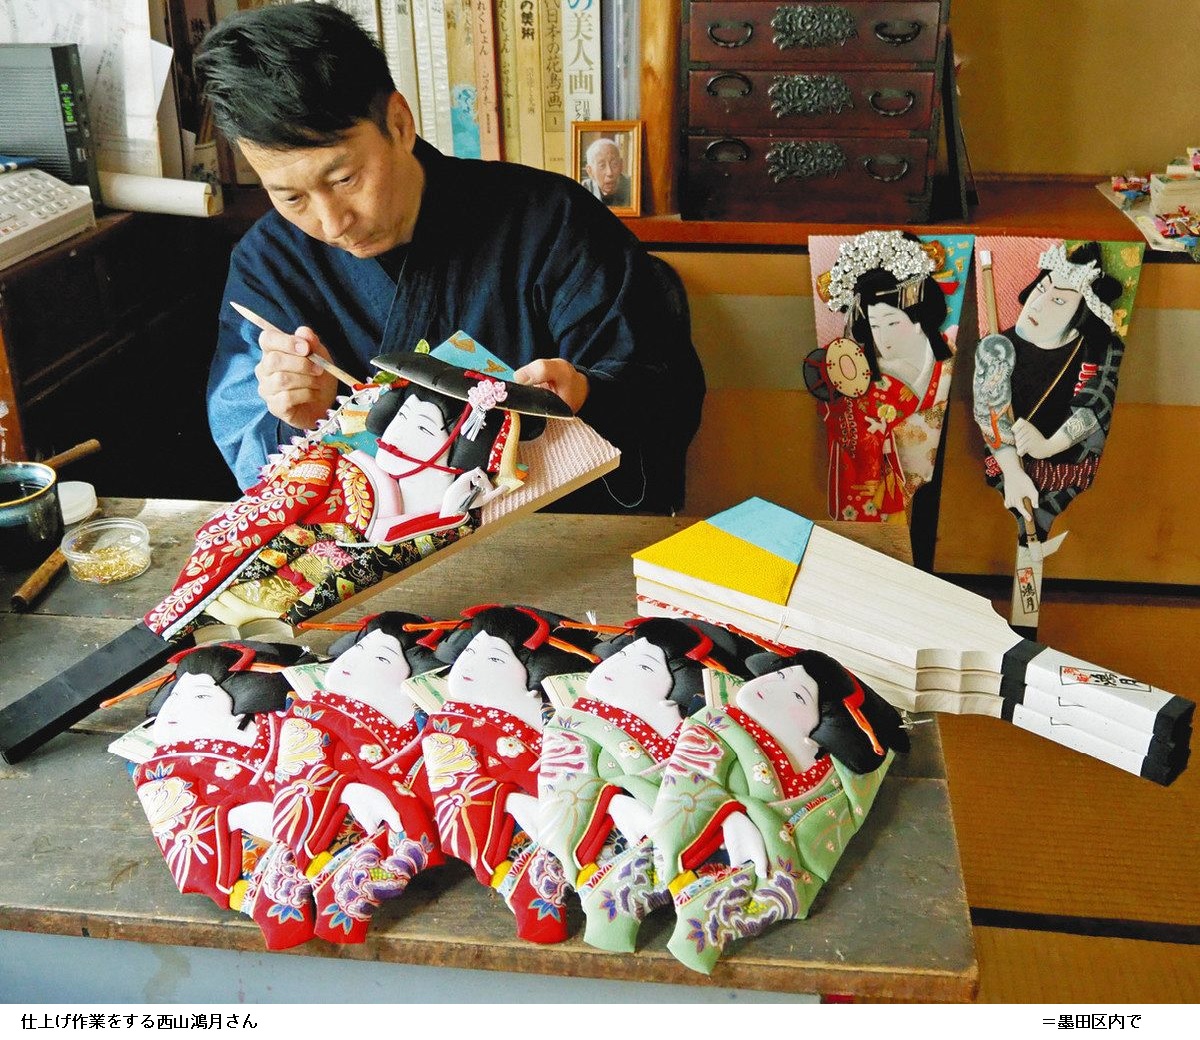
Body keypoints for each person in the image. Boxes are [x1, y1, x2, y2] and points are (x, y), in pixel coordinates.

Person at [194, 2, 703, 513]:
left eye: (344, 179)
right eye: (291, 197)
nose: (331, 223)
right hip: (372, 550)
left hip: (551, 533)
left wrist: (588, 394)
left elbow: (666, 390)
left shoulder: (550, 219)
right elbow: (251, 449)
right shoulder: (269, 264)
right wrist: (300, 421)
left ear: (398, 123)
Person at [649, 649, 908, 974]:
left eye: (799, 696)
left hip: (754, 883)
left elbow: (812, 860)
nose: (770, 684)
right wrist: (730, 815)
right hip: (697, 849)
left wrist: (757, 826)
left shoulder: (832, 785)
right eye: (780, 675)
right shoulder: (712, 725)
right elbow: (684, 784)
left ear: (822, 728)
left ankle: (704, 926)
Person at [537, 617, 757, 953]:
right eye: (622, 654)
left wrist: (728, 813)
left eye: (643, 665)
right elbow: (561, 781)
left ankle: (698, 923)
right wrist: (613, 798)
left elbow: (715, 783)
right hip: (601, 842)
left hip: (686, 848)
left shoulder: (699, 734)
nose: (617, 665)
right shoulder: (570, 722)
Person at [972, 241, 1124, 541]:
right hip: (1008, 464)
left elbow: (1097, 401)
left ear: (1081, 313)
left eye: (1058, 301)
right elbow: (989, 410)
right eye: (1041, 289)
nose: (1038, 304)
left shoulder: (1098, 350)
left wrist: (1048, 445)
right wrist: (1013, 472)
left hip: (1067, 468)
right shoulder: (998, 347)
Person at [811, 230, 955, 522]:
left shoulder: (946, 363)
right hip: (874, 491)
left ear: (919, 319)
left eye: (891, 323)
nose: (882, 337)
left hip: (934, 487)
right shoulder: (855, 370)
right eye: (875, 326)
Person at [580, 138, 632, 208]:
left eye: (614, 164)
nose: (609, 173)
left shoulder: (633, 187)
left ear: (621, 165)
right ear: (590, 171)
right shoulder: (584, 189)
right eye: (602, 165)